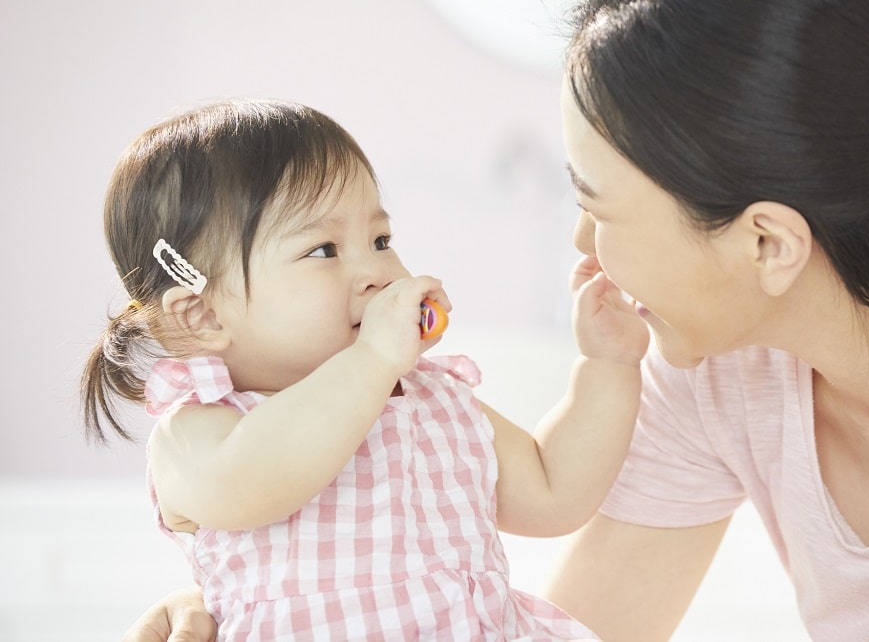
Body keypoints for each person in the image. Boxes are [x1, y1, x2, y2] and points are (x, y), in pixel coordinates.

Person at [123, 0, 869, 640]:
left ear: (765, 243)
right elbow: (592, 620)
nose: (582, 247)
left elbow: (549, 488)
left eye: (596, 208)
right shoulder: (722, 372)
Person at [83, 98, 650, 640]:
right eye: (324, 250)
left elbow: (553, 490)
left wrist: (607, 364)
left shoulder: (431, 400)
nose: (377, 271)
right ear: (204, 313)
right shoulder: (197, 431)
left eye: (380, 239)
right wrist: (373, 359)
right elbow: (261, 480)